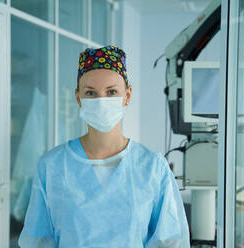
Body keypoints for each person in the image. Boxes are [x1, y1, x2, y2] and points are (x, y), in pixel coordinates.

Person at [18, 45, 190, 248]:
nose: (101, 101)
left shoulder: (152, 167)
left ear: (127, 95)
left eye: (111, 92)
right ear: (78, 97)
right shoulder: (52, 166)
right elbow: (38, 241)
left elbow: (169, 241)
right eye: (90, 92)